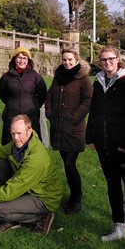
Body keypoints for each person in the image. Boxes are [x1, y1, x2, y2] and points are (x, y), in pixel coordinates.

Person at [86, 45, 125, 241]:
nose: (107, 63)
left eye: (110, 59)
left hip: (122, 142)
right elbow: (94, 109)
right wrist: (90, 136)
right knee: (111, 182)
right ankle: (118, 227)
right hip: (103, 140)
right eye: (103, 60)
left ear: (117, 59)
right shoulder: (99, 81)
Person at [45, 48, 92, 214]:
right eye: (64, 60)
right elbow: (49, 96)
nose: (67, 63)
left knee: (69, 164)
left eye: (70, 60)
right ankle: (73, 196)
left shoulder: (83, 78)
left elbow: (87, 101)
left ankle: (77, 198)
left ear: (77, 60)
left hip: (73, 130)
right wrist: (49, 113)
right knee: (67, 164)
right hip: (59, 128)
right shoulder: (59, 77)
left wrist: (74, 118)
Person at [0, 46, 47, 145]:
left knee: (31, 144)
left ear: (28, 61)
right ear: (14, 59)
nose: (22, 61)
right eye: (19, 57)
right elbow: (2, 95)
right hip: (12, 115)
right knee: (11, 143)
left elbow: (42, 94)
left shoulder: (35, 76)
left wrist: (33, 105)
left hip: (31, 116)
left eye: (24, 58)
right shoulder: (6, 77)